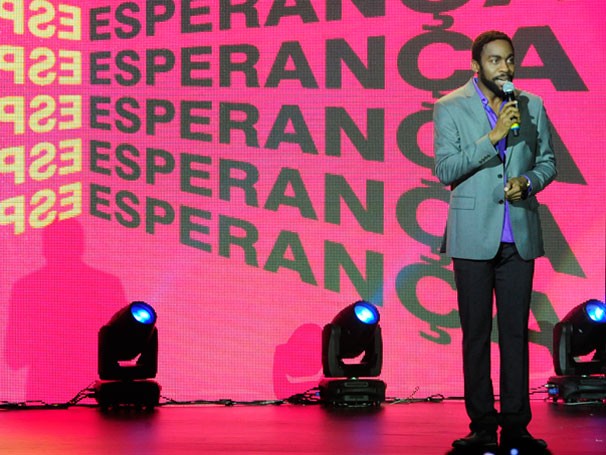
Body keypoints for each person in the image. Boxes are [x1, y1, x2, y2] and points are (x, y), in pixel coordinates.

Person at [433, 30, 557, 452]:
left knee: (515, 334)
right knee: (475, 334)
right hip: (471, 237)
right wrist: (492, 137)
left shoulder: (532, 104)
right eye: (494, 60)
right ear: (476, 65)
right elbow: (446, 169)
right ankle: (482, 423)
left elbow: (547, 162)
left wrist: (529, 181)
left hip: (518, 234)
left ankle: (517, 423)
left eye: (508, 59)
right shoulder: (449, 107)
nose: (503, 67)